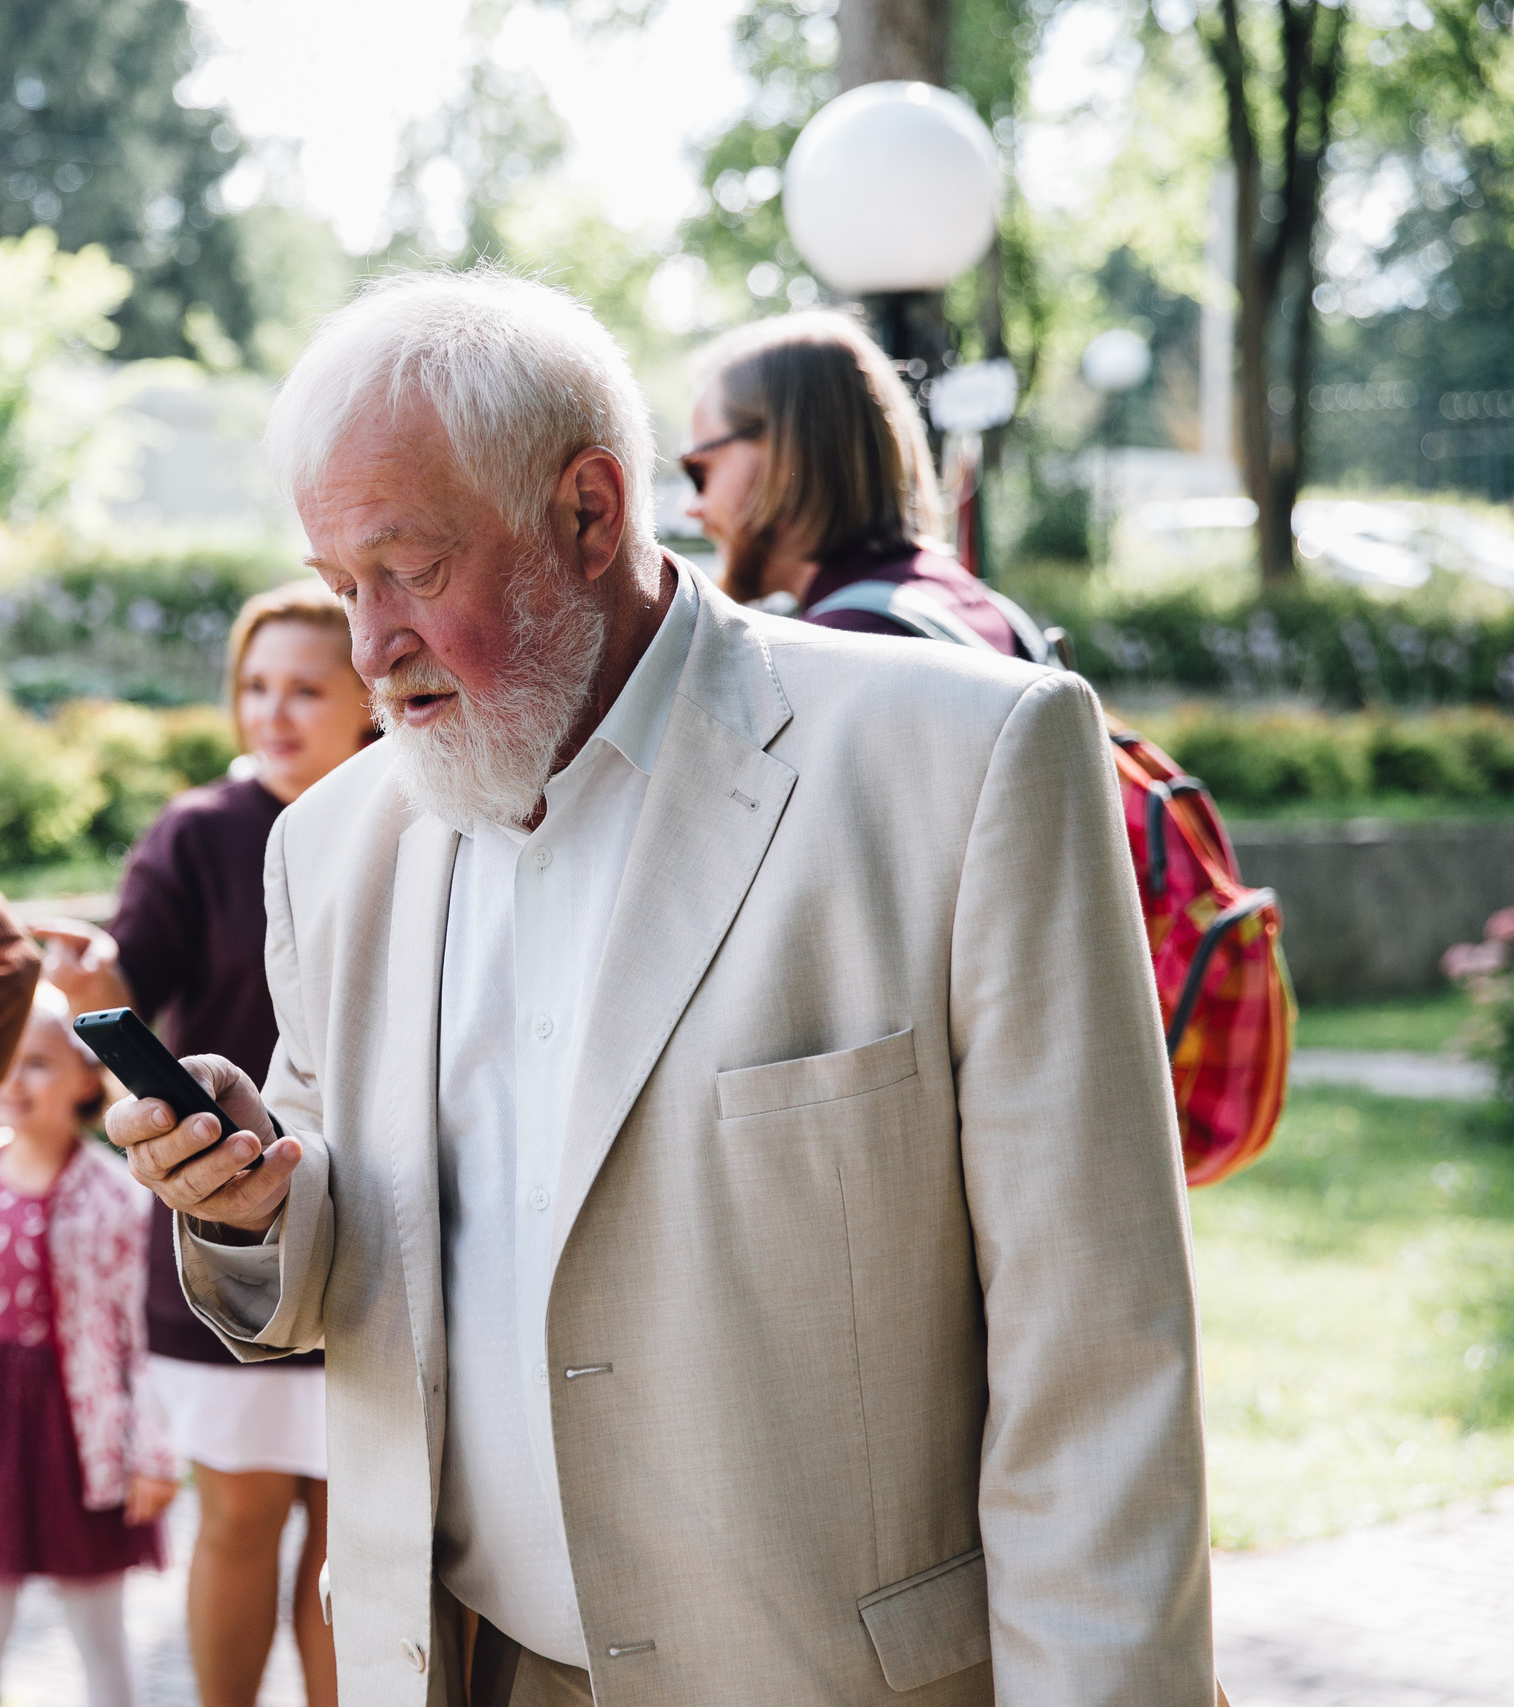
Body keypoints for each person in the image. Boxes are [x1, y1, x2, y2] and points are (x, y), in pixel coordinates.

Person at [114, 271, 1217, 1705]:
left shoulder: (965, 760)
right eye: (341, 585)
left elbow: (1098, 1360)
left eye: (414, 569)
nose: (368, 643)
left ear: (587, 510)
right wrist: (253, 1203)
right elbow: (344, 1256)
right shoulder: (332, 843)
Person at [40, 580, 371, 1707]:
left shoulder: (412, 817)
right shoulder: (199, 833)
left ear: (369, 694)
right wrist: (94, 984)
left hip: (381, 1233)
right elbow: (132, 981)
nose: (272, 712)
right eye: (254, 687)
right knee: (235, 1519)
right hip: (224, 1228)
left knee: (356, 1544)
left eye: (304, 689)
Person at [0, 985, 179, 1707]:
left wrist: (152, 1449)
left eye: (35, 1062)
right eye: (4, 1059)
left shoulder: (118, 1197)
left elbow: (145, 1333)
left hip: (75, 1434)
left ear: (87, 1079)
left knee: (98, 1626)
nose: (13, 1078)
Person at [681, 309, 1033, 657]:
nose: (692, 507)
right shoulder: (990, 614)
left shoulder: (834, 654)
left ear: (786, 453)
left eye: (699, 469)